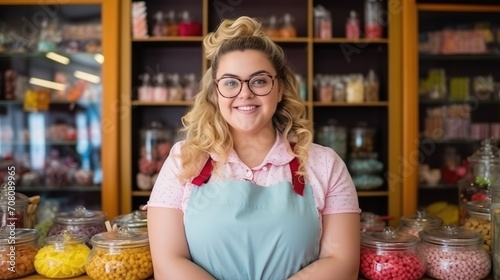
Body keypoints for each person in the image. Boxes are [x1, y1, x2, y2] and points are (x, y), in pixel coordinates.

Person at [146, 16, 361, 280]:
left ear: (279, 89)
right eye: (230, 82)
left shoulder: (325, 164)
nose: (245, 93)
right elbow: (168, 263)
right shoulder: (184, 160)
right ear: (215, 93)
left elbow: (342, 262)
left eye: (259, 81)